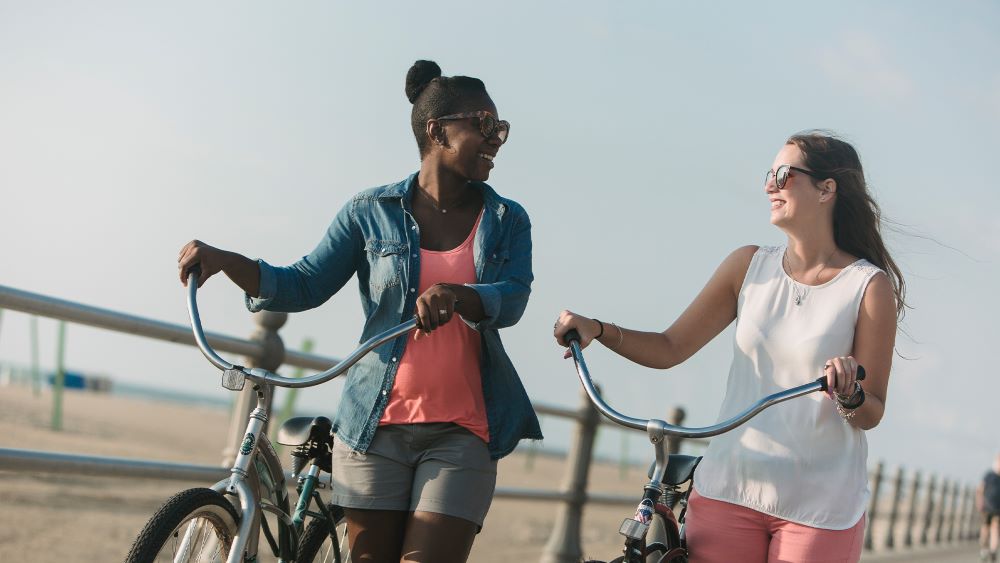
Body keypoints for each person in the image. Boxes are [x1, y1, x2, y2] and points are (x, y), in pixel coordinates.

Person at [177, 59, 540, 563]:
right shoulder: (368, 213)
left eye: (500, 127)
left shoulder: (507, 219)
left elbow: (514, 298)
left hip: (464, 432)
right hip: (374, 428)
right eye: (483, 125)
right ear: (437, 130)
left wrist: (457, 295)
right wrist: (227, 261)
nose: (496, 138)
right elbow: (302, 284)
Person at [554, 131, 904, 563]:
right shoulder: (748, 266)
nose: (769, 185)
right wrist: (598, 329)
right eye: (769, 174)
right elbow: (670, 347)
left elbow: (872, 410)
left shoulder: (868, 287)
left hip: (819, 507)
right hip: (727, 490)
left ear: (827, 188)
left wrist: (850, 394)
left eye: (783, 174)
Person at [978, 453, 1000, 562]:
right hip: (987, 507)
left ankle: (993, 551)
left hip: (998, 508)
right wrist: (980, 502)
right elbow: (981, 488)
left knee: (995, 528)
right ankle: (984, 549)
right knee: (985, 529)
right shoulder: (989, 475)